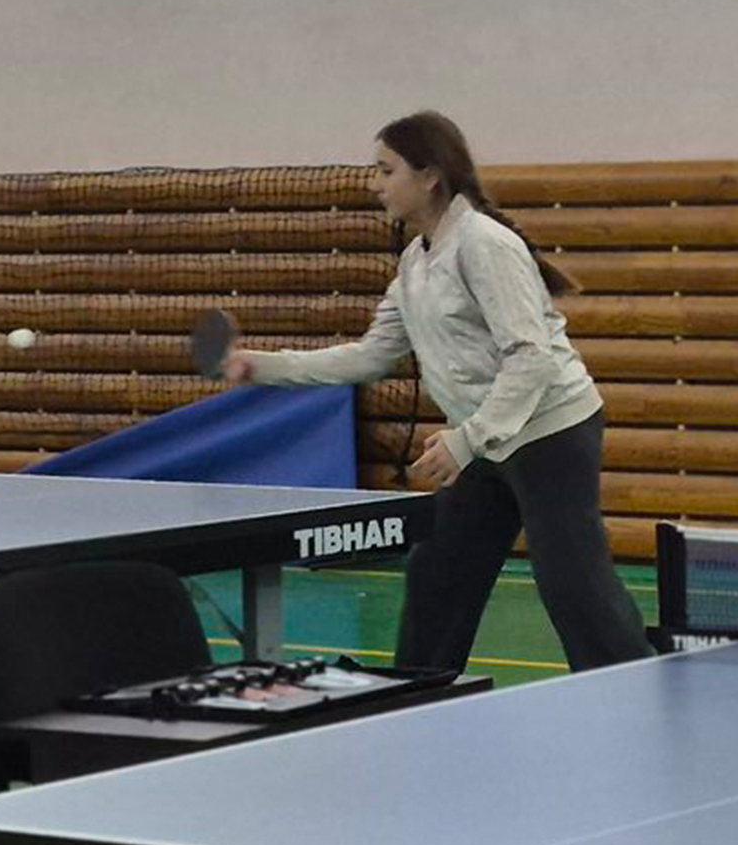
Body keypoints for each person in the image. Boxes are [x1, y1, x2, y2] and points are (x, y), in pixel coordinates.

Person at [227, 110, 652, 674]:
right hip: (480, 442)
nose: (375, 184)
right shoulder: (415, 263)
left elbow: (532, 356)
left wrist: (467, 440)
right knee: (439, 575)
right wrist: (261, 366)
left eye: (386, 170)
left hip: (549, 432)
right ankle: (418, 694)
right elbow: (371, 356)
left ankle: (634, 689)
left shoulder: (485, 245)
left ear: (429, 176)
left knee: (573, 584)